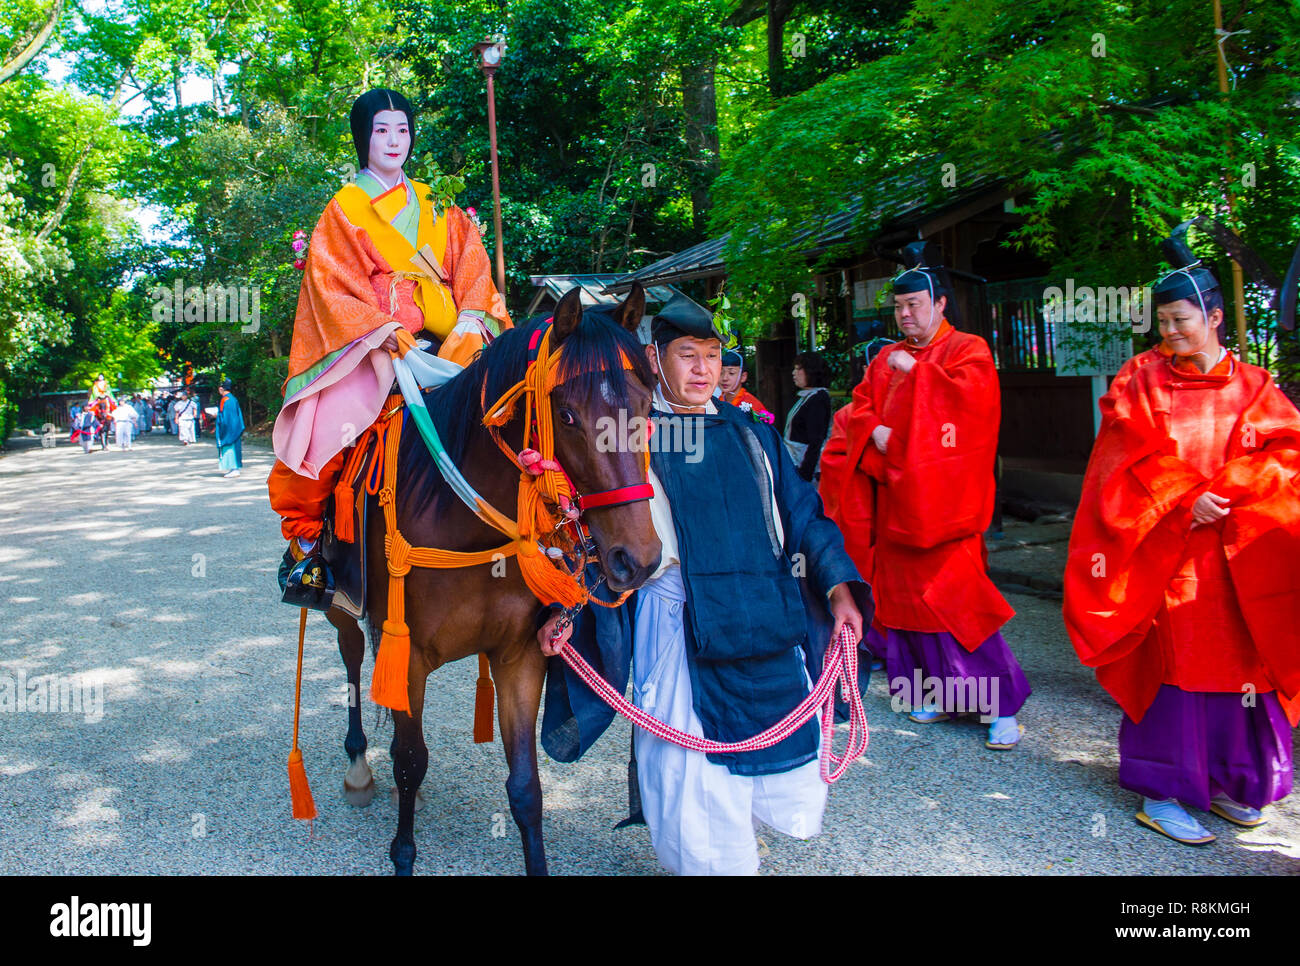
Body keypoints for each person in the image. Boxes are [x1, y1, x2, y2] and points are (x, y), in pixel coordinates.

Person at [539, 294, 872, 876]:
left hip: (768, 622)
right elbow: (593, 533)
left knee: (778, 751)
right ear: (654, 358)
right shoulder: (631, 436)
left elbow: (804, 513)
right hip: (680, 629)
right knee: (691, 774)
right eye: (686, 355)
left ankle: (744, 842)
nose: (703, 370)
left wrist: (840, 587)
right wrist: (567, 605)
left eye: (713, 356)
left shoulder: (751, 433)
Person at [1063, 242, 1300, 845]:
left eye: (1181, 321)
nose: (1169, 333)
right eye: (1162, 322)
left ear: (1216, 317)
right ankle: (1162, 791)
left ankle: (1227, 781)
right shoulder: (1141, 378)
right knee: (1176, 670)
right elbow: (1125, 449)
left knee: (1245, 670)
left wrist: (1234, 487)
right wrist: (1181, 498)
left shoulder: (1254, 385)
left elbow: (1287, 450)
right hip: (1166, 555)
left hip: (1238, 558)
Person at [266, 88, 511, 581]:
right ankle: (311, 547)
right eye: (382, 129)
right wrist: (380, 329)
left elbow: (472, 270)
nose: (394, 140)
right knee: (329, 436)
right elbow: (332, 286)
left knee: (521, 416)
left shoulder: (438, 204)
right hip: (379, 348)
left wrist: (469, 320)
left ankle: (545, 535)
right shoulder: (345, 209)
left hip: (453, 345)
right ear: (363, 138)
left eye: (403, 129)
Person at [839, 243, 1029, 748]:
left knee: (957, 606)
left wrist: (919, 374)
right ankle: (932, 694)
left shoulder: (968, 350)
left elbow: (973, 412)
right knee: (902, 608)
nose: (904, 314)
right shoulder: (882, 358)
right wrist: (874, 431)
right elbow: (857, 411)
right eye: (898, 307)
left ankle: (1001, 707)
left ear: (940, 303)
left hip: (945, 510)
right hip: (896, 501)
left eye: (914, 304)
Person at [784, 351, 832, 482]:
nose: (794, 373)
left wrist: (805, 473)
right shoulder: (807, 396)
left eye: (798, 369)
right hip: (796, 462)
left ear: (811, 371)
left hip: (805, 468)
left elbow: (816, 440)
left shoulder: (818, 399)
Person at [718, 347, 769, 415]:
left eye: (731, 373)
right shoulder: (713, 402)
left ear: (743, 377)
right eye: (720, 373)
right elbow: (699, 425)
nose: (724, 378)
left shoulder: (753, 406)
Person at [215, 378, 245, 478]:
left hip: (230, 430)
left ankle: (234, 468)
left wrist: (217, 417)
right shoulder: (232, 398)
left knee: (230, 449)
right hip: (234, 428)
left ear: (221, 389)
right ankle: (233, 468)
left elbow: (225, 418)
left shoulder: (226, 400)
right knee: (233, 448)